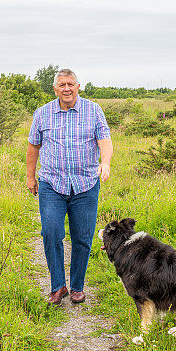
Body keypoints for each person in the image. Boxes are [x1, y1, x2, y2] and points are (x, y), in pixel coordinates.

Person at [26, 68, 113, 305]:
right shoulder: (43, 113)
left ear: (78, 86)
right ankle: (58, 286)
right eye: (62, 85)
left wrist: (104, 163)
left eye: (70, 84)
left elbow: (104, 139)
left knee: (82, 237)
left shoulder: (93, 110)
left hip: (85, 185)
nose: (67, 89)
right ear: (55, 89)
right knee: (51, 233)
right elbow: (34, 146)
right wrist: (30, 177)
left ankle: (76, 287)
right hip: (52, 184)